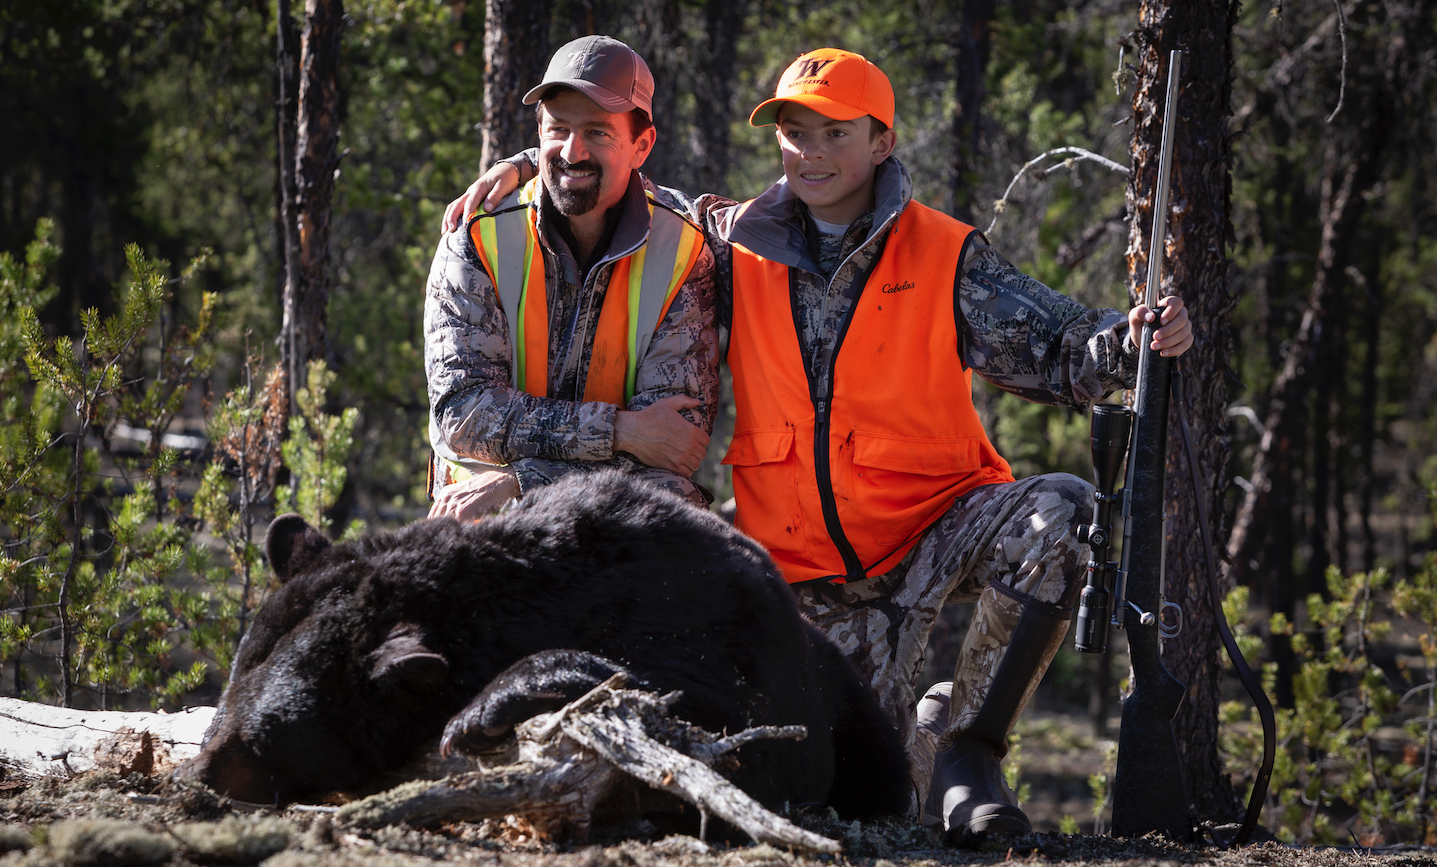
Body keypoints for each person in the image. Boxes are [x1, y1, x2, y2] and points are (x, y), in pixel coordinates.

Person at [444, 48, 1194, 843]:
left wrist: (1136, 336)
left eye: (834, 133)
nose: (809, 152)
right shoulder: (727, 240)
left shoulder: (944, 254)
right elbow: (613, 172)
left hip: (938, 530)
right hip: (810, 587)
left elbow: (1064, 350)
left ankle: (970, 750)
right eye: (793, 132)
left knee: (1062, 516)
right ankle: (929, 732)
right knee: (859, 811)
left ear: (880, 143)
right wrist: (530, 158)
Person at [424, 36, 719, 522]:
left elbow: (673, 442)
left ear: (641, 145)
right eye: (557, 129)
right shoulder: (476, 236)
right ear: (538, 131)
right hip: (487, 518)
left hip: (609, 519)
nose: (572, 151)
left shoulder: (684, 251)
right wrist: (620, 431)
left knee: (673, 502)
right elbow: (465, 415)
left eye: (598, 133)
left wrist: (523, 475)